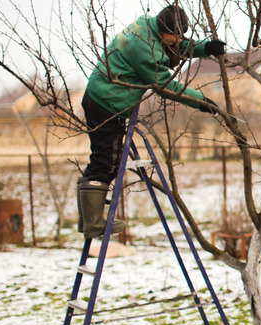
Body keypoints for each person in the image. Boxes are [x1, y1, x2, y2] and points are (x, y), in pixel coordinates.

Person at [77, 4, 226, 239]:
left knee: (102, 158)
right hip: (107, 103)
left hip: (101, 96)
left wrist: (204, 47)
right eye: (175, 35)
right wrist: (200, 101)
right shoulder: (145, 50)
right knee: (106, 162)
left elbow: (173, 46)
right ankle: (93, 223)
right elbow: (166, 86)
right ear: (164, 29)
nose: (178, 40)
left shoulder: (149, 25)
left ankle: (87, 220)